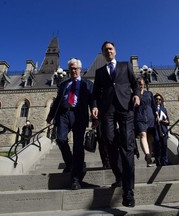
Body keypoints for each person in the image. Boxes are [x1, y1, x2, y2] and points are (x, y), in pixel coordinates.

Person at [92, 41, 140, 208]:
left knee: (127, 147)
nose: (108, 51)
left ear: (115, 51)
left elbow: (135, 83)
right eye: (105, 50)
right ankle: (118, 176)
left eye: (110, 49)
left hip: (125, 108)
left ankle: (128, 192)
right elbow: (95, 93)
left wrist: (137, 95)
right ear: (103, 53)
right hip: (108, 111)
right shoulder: (99, 72)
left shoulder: (125, 66)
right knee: (110, 143)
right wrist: (95, 106)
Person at [46, 58, 95, 190]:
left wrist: (94, 110)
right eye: (71, 69)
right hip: (63, 114)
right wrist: (50, 115)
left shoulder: (87, 84)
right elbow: (57, 101)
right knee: (61, 139)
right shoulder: (64, 84)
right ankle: (70, 162)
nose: (73, 71)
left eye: (75, 68)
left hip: (79, 114)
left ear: (80, 69)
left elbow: (92, 99)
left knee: (78, 146)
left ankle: (75, 179)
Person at [134, 77, 157, 167]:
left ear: (144, 84)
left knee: (150, 138)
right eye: (138, 84)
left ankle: (150, 155)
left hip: (150, 116)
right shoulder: (134, 94)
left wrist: (156, 114)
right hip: (139, 117)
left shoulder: (149, 93)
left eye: (141, 83)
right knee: (143, 135)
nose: (140, 85)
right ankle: (147, 156)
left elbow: (154, 106)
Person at [153, 93, 170, 166]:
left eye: (159, 99)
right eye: (156, 99)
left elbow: (168, 121)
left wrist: (163, 121)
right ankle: (158, 161)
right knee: (157, 144)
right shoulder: (152, 108)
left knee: (164, 145)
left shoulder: (164, 109)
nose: (158, 100)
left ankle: (165, 161)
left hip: (163, 129)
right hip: (155, 129)